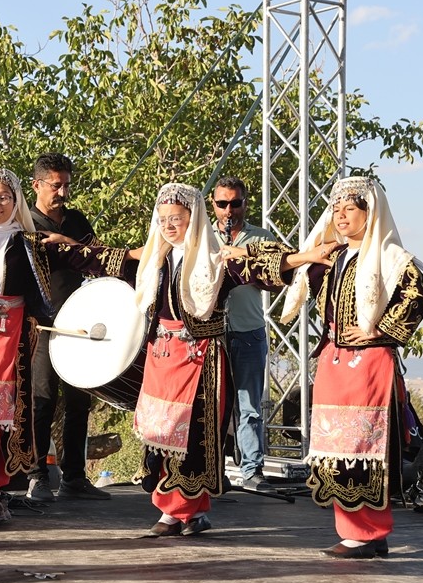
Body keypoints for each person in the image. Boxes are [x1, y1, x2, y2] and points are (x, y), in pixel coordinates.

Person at [52, 182, 328, 537]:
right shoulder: (153, 259)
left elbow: (264, 265)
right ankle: (186, 513)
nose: (169, 226)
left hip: (200, 361)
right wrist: (66, 246)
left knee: (191, 437)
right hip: (162, 358)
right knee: (161, 435)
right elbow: (104, 258)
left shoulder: (215, 259)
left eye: (177, 218)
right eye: (163, 219)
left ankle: (178, 511)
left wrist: (305, 256)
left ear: (193, 218)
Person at [0, 167, 113, 532]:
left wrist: (145, 253)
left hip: (8, 336)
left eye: (3, 198)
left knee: (2, 417)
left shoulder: (32, 243)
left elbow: (90, 258)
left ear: (16, 201)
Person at [276, 176, 423, 559]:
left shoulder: (388, 256)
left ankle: (368, 532)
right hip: (334, 362)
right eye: (337, 209)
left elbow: (421, 291)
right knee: (335, 445)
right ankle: (359, 531)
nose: (341, 215)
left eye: (350, 208)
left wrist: (380, 330)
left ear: (371, 213)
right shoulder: (332, 256)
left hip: (369, 364)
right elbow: (295, 276)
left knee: (364, 445)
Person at [24, 152, 109, 503]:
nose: (62, 192)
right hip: (43, 326)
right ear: (37, 185)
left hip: (78, 323)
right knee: (42, 401)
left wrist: (73, 245)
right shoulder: (24, 222)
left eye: (66, 185)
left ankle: (74, 476)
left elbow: (99, 258)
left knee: (78, 401)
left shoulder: (76, 220)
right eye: (56, 185)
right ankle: (36, 476)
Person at [210, 177, 277, 491]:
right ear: (213, 205)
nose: (229, 210)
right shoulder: (201, 237)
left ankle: (252, 471)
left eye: (235, 203)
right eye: (222, 204)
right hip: (210, 333)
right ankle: (212, 470)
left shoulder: (261, 237)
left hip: (248, 330)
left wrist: (243, 256)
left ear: (245, 203)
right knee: (212, 406)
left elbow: (277, 278)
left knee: (249, 406)